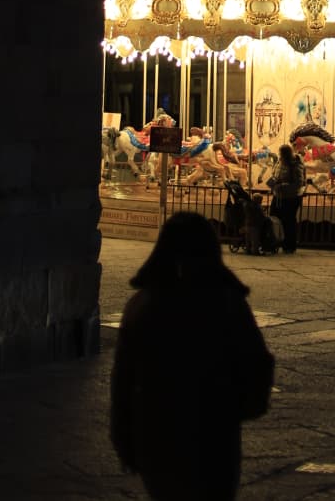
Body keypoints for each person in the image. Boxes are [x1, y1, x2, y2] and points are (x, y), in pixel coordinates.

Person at [110, 212, 274, 500]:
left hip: (159, 432)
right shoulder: (227, 303)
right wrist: (237, 408)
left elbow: (122, 381)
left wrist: (124, 437)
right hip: (214, 434)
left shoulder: (143, 305)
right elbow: (256, 364)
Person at [269, 142, 304, 253]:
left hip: (291, 198)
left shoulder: (295, 165)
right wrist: (273, 182)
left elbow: (298, 183)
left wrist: (283, 186)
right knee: (273, 217)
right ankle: (274, 241)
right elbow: (275, 175)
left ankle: (289, 244)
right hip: (278, 196)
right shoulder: (280, 162)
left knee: (288, 221)